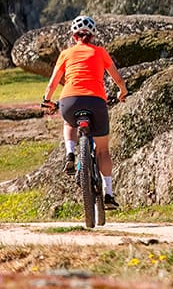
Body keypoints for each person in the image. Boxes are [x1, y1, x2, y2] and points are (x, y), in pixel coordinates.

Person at [41, 15, 129, 210]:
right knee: (103, 150)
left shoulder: (66, 54)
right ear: (92, 36)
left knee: (68, 122)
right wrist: (122, 92)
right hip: (96, 101)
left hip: (69, 101)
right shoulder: (100, 52)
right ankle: (108, 194)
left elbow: (52, 83)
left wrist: (47, 100)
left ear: (74, 37)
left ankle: (70, 154)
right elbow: (118, 79)